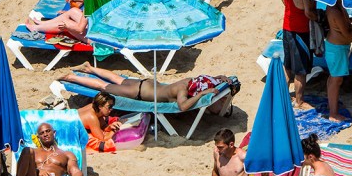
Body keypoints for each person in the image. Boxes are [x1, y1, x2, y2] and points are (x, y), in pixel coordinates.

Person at [58, 64, 240, 114]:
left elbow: (211, 80)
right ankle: (71, 77)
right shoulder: (182, 90)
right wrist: (201, 94)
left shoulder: (190, 80)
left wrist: (221, 79)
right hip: (137, 93)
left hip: (145, 84)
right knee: (104, 86)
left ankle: (90, 68)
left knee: (117, 78)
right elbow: (183, 106)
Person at [325, 0, 352, 123]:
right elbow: (348, 35)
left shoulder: (337, 6)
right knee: (336, 80)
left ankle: (330, 106)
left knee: (333, 78)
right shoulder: (335, 10)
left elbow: (341, 24)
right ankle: (333, 113)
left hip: (337, 47)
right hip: (337, 48)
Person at [282, 0, 314, 110]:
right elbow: (307, 12)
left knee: (288, 66)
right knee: (301, 70)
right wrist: (318, 18)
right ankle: (299, 101)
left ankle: (284, 96)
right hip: (300, 31)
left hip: (287, 27)